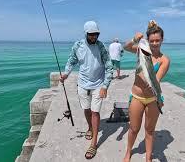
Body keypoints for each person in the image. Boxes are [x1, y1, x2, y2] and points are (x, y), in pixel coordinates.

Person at [60, 21, 113, 159]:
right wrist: (66, 74)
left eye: (96, 34)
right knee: (86, 109)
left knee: (95, 112)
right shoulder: (78, 46)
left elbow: (109, 66)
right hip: (83, 84)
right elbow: (71, 60)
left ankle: (93, 143)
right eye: (91, 34)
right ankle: (90, 127)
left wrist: (105, 86)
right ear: (86, 34)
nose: (94, 37)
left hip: (98, 85)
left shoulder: (102, 47)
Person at [123, 20, 170, 162]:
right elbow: (126, 47)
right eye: (152, 40)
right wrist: (134, 39)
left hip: (153, 99)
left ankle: (148, 158)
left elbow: (156, 80)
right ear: (147, 40)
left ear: (162, 40)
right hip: (137, 96)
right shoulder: (141, 50)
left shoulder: (164, 60)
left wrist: (159, 98)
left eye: (158, 40)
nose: (155, 43)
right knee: (134, 129)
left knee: (149, 131)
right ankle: (128, 152)